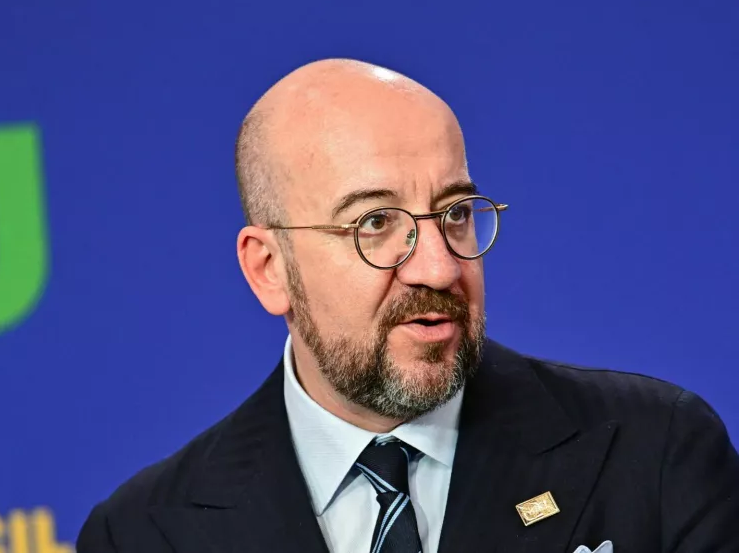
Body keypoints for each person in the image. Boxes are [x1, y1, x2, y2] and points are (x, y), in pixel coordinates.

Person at [76, 58, 739, 553]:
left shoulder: (653, 454)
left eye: (454, 213)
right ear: (269, 269)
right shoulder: (146, 533)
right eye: (374, 223)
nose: (440, 266)